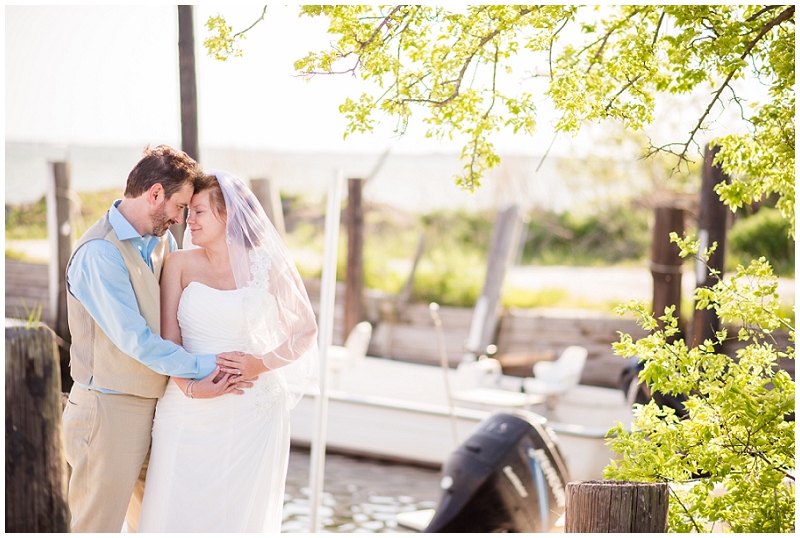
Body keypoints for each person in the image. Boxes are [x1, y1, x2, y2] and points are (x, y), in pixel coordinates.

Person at [61, 145, 252, 533]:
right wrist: (212, 364)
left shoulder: (162, 242)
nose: (183, 219)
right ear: (155, 194)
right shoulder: (99, 253)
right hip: (108, 414)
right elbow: (138, 341)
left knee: (161, 524)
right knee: (96, 528)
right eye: (181, 206)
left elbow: (174, 316)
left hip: (160, 410)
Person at [137, 171, 319, 532]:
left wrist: (259, 364)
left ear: (229, 214)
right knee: (175, 510)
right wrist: (189, 386)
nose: (190, 219)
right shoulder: (179, 264)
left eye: (200, 211)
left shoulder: (268, 265)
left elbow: (305, 330)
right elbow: (169, 342)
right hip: (187, 409)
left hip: (252, 412)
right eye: (189, 210)